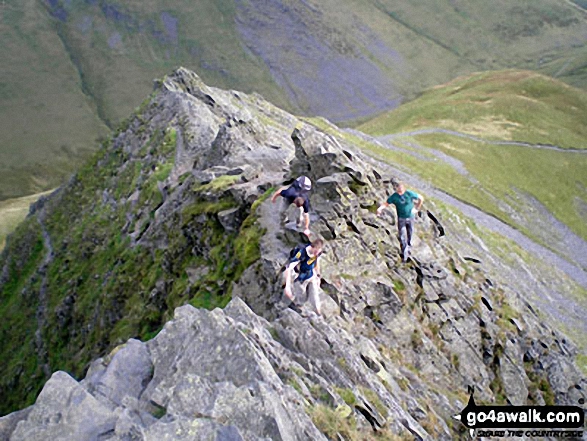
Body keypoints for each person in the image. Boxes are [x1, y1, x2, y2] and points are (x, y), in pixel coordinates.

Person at [377, 181, 424, 262]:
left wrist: (416, 208)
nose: (400, 189)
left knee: (410, 232)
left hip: (410, 217)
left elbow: (421, 198)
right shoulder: (394, 197)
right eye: (399, 187)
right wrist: (380, 209)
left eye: (402, 187)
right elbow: (386, 203)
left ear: (404, 188)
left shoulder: (409, 193)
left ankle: (409, 246)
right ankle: (404, 253)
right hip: (401, 218)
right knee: (402, 235)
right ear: (397, 188)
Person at [283, 239, 323, 316]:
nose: (316, 254)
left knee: (315, 297)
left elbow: (316, 263)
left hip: (311, 276)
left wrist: (318, 276)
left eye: (318, 253)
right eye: (315, 252)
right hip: (300, 278)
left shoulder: (317, 254)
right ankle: (296, 307)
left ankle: (319, 314)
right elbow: (289, 268)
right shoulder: (302, 253)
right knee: (301, 297)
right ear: (312, 247)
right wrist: (287, 287)